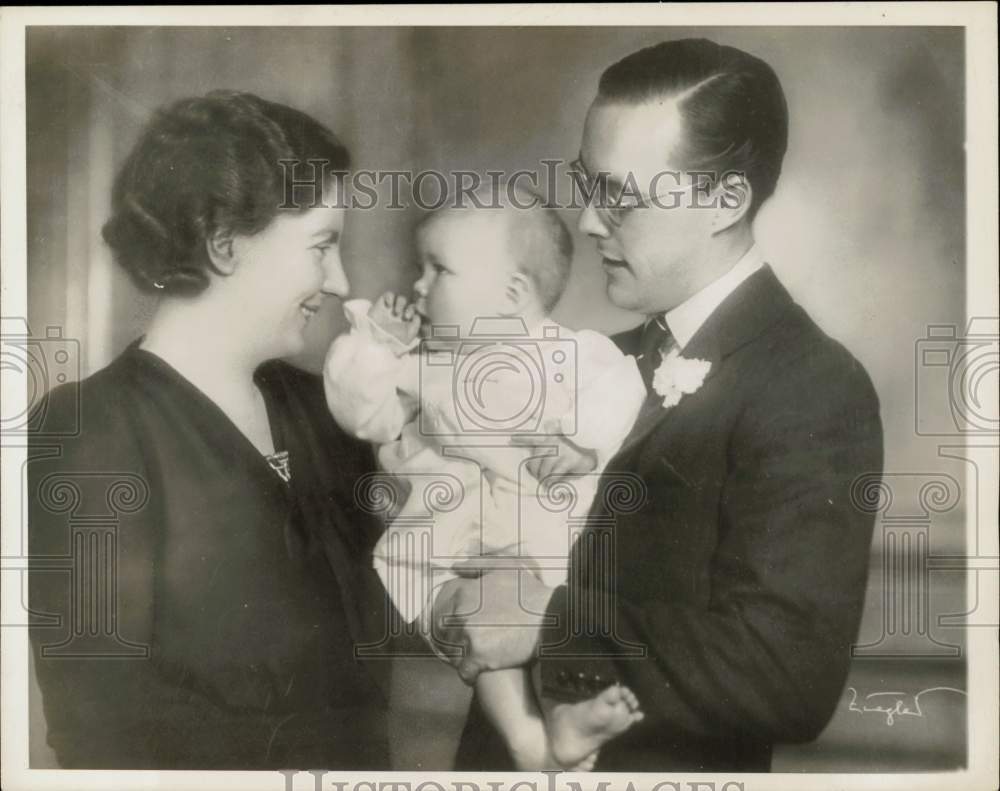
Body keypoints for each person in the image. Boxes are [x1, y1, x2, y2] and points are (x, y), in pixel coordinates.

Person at [434, 38, 885, 771]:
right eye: (588, 184)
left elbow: (788, 674)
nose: (586, 221)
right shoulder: (593, 360)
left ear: (725, 199)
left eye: (620, 194)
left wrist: (547, 621)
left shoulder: (811, 383)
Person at [28, 91, 390, 769]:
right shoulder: (91, 431)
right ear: (225, 244)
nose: (339, 281)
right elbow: (99, 731)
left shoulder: (327, 412)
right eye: (322, 246)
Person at [323, 190, 647, 769]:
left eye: (439, 270)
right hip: (444, 549)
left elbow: (622, 388)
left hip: (536, 536)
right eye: (421, 268)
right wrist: (376, 349)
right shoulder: (421, 362)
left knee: (530, 607)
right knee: (485, 617)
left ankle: (560, 719)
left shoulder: (573, 355)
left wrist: (581, 440)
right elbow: (363, 415)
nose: (419, 286)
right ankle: (528, 739)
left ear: (512, 294)